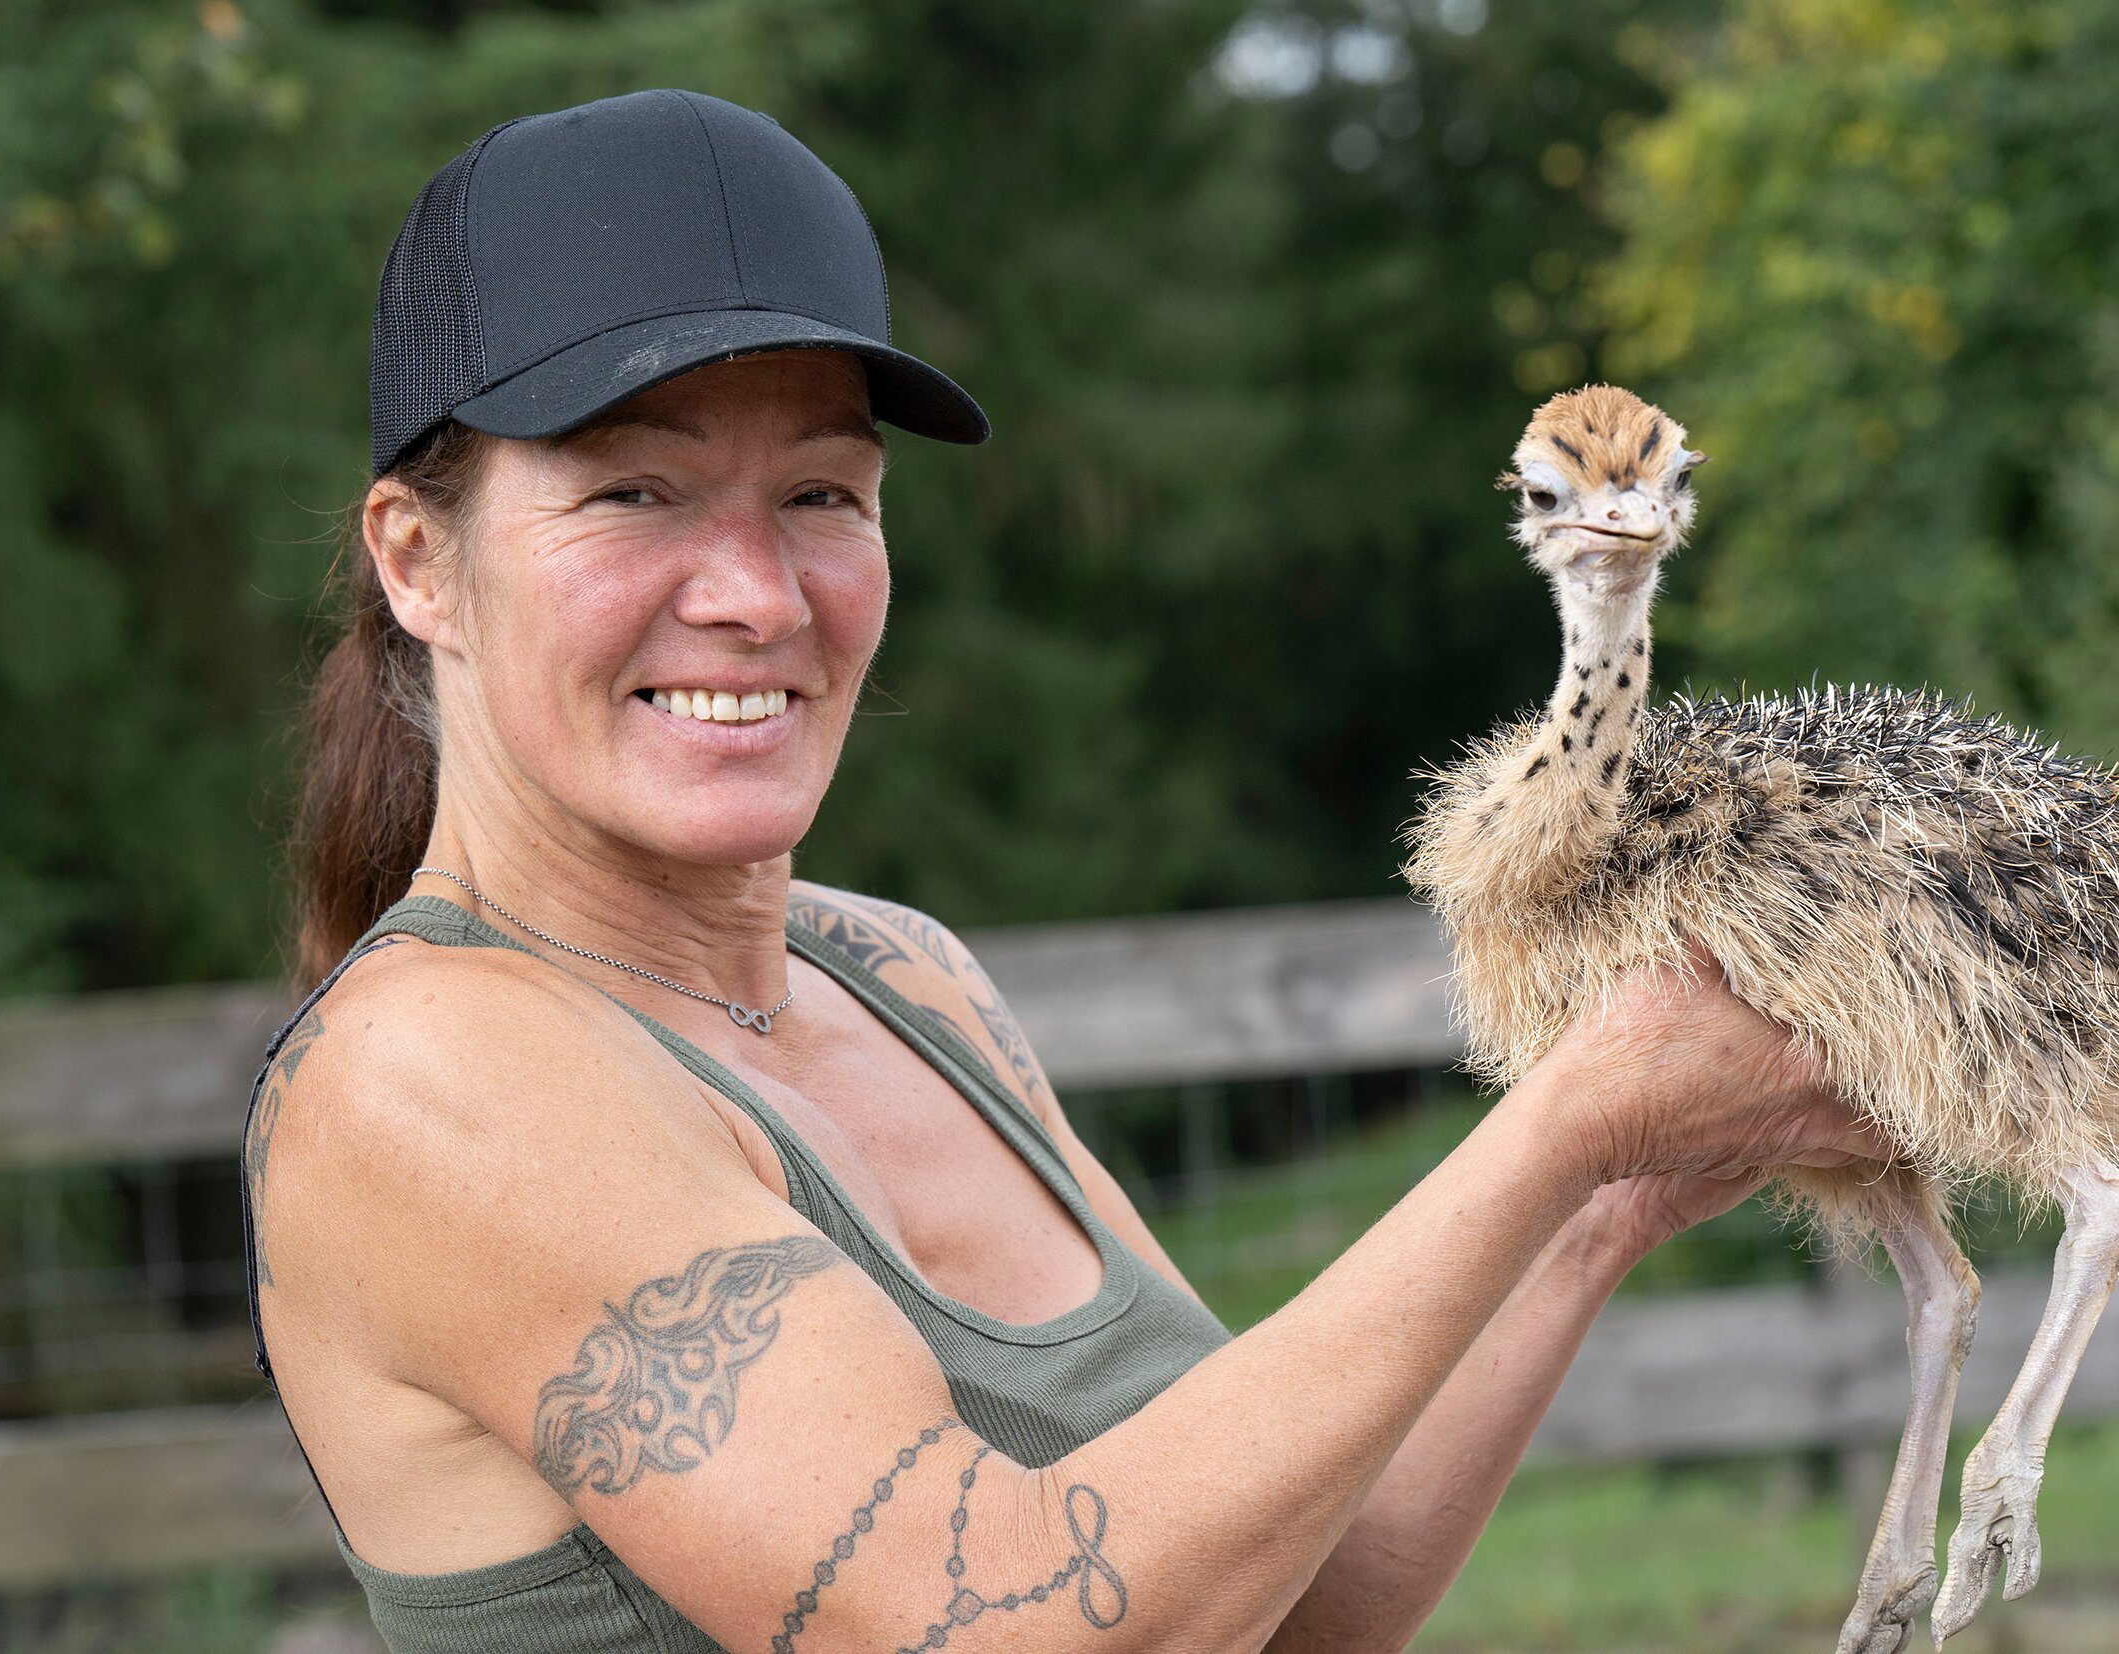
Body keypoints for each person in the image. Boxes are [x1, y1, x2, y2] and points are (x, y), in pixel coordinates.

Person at [246, 89, 1884, 1654]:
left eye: (821, 492)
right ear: (418, 561)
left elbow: (1287, 1599)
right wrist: (1562, 1120)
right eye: (634, 491)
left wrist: (1604, 1202)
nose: (753, 590)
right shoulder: (428, 1075)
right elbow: (997, 1619)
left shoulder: (902, 977)